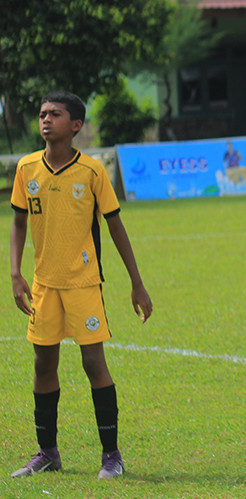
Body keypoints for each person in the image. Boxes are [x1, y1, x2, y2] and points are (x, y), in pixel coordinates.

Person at [9, 91, 153, 479]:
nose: (45, 119)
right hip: (43, 285)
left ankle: (111, 456)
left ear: (75, 125)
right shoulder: (26, 168)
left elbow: (115, 225)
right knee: (43, 363)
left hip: (84, 283)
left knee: (93, 363)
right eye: (42, 114)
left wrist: (137, 284)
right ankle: (48, 453)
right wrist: (15, 273)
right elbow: (19, 223)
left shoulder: (91, 172)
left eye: (55, 114)